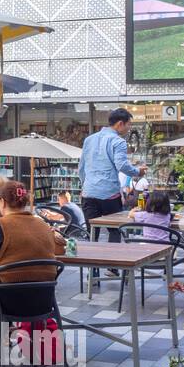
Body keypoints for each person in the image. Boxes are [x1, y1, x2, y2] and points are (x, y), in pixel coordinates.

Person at [79, 108, 145, 282]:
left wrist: (85, 185)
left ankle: (92, 272)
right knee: (115, 230)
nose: (129, 129)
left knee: (92, 232)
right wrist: (138, 171)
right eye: (129, 125)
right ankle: (112, 267)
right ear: (120, 124)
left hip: (88, 193)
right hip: (109, 194)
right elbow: (121, 165)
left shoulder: (89, 139)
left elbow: (82, 167)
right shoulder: (118, 141)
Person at [0, 180, 66, 286]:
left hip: (6, 292)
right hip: (45, 292)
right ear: (24, 203)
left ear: (2, 202)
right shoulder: (43, 225)